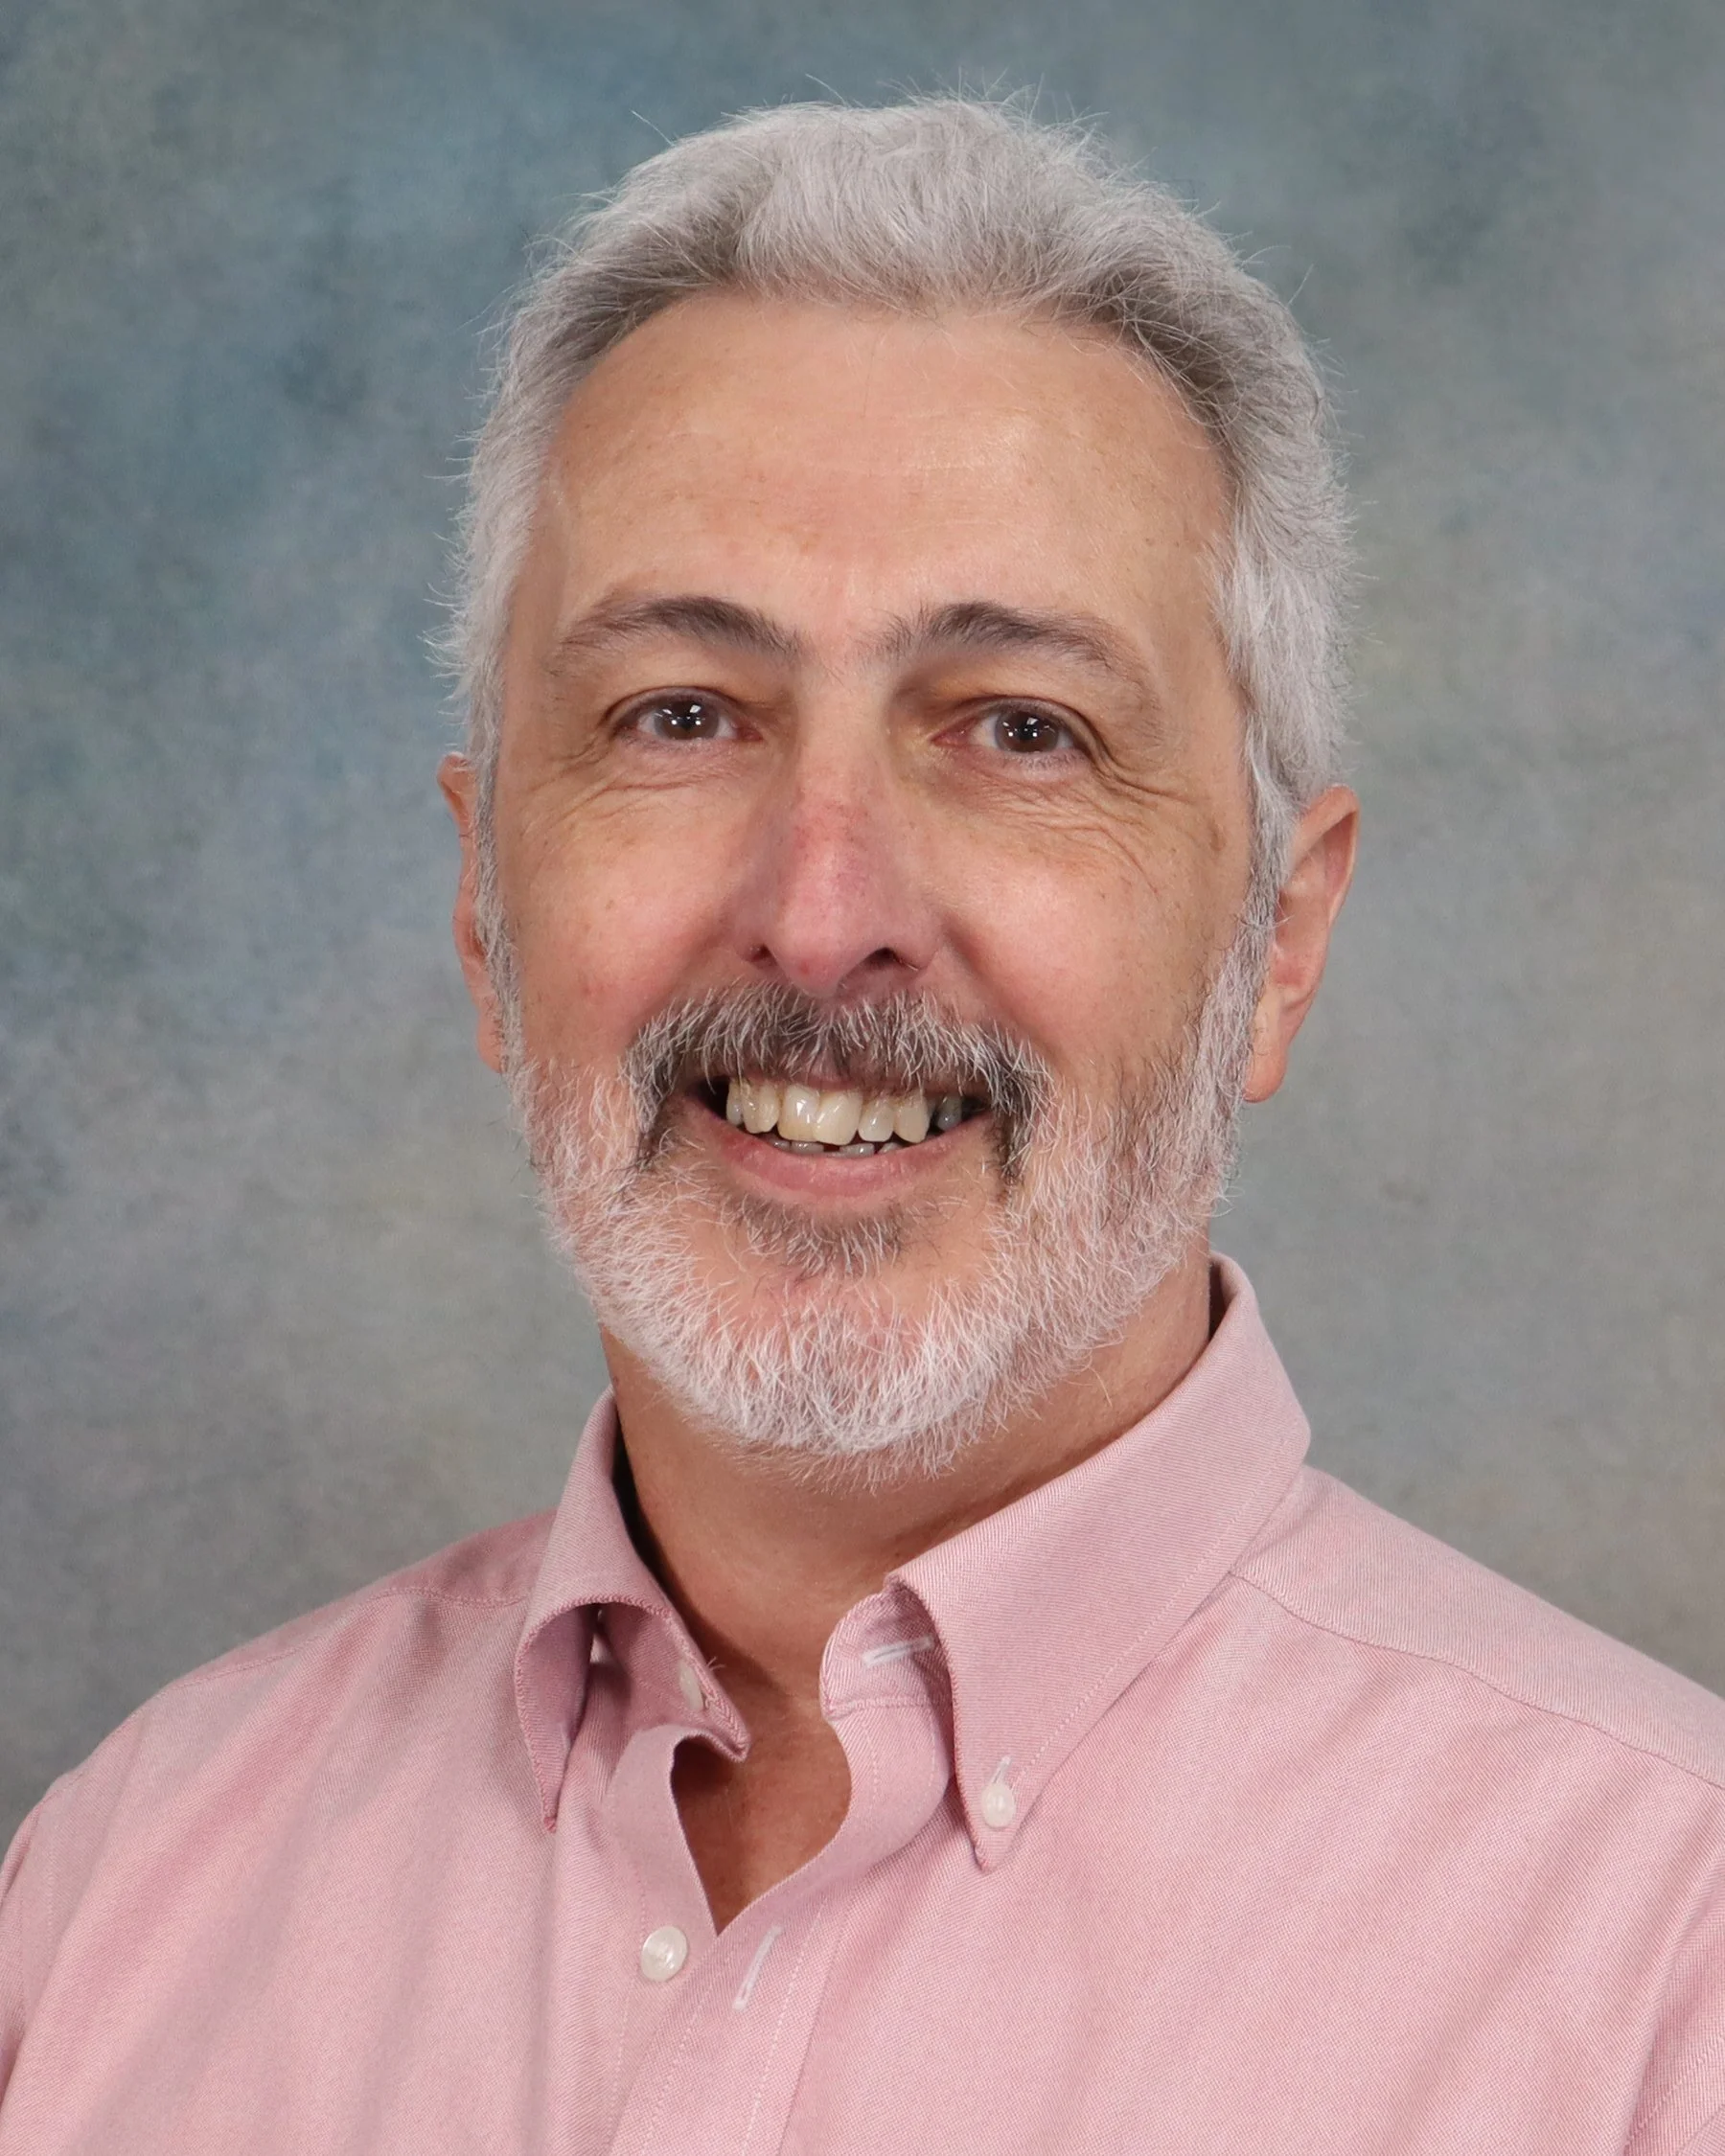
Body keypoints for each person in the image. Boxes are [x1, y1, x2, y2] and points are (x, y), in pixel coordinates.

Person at [1, 96, 1720, 2155]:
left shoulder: (1665, 1968)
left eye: (1021, 730)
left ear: (1281, 936)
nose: (825, 915)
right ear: (482, 907)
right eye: (680, 716)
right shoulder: (114, 1900)